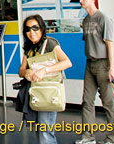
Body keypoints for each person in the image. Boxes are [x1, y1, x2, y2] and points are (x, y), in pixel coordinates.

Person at [75, 0, 114, 144]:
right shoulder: (86, 21)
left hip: (103, 64)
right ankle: (88, 137)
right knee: (87, 100)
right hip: (90, 64)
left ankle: (113, 138)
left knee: (108, 103)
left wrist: (112, 68)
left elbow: (110, 45)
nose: (80, 1)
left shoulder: (104, 19)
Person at [19, 14, 72, 144]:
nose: (31, 32)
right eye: (28, 29)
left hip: (48, 92)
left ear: (42, 28)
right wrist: (26, 72)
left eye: (35, 28)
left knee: (45, 133)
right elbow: (21, 70)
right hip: (36, 92)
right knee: (41, 130)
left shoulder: (50, 43)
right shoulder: (29, 48)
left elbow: (67, 62)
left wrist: (45, 70)